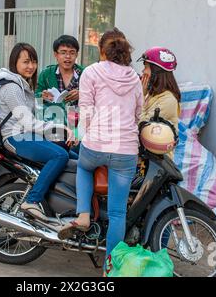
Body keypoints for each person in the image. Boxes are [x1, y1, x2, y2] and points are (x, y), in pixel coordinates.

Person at [58, 28, 143, 269]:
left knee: (84, 168)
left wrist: (79, 134)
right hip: (125, 149)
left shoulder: (92, 72)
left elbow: (86, 110)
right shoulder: (134, 77)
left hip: (95, 144)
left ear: (102, 50)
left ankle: (83, 214)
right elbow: (138, 113)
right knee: (118, 213)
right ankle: (110, 267)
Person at [0, 43, 76, 221]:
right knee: (60, 155)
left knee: (73, 149)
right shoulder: (12, 88)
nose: (31, 66)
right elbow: (28, 122)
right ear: (15, 63)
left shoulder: (23, 85)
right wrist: (59, 128)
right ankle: (33, 199)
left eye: (34, 62)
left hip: (26, 134)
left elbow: (28, 115)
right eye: (26, 62)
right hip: (15, 138)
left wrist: (39, 98)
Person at [36, 35, 84, 157]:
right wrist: (42, 96)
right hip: (54, 124)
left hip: (78, 123)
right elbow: (36, 100)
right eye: (63, 53)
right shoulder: (46, 74)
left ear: (76, 55)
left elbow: (95, 98)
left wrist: (82, 94)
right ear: (56, 55)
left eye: (72, 53)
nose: (68, 57)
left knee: (78, 154)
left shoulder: (85, 74)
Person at [138, 47, 181, 131]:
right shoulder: (152, 93)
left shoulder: (168, 100)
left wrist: (141, 96)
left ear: (156, 71)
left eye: (146, 67)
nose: (143, 71)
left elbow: (143, 128)